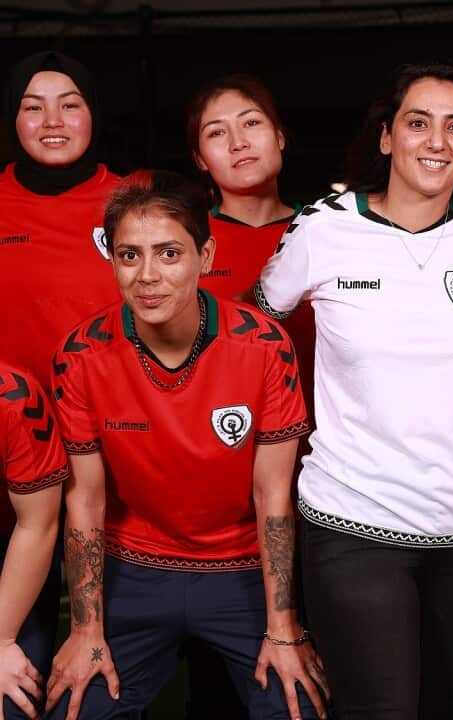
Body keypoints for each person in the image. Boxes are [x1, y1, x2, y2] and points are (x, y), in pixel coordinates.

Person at [255, 64, 453, 720]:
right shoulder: (324, 225)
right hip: (355, 520)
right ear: (387, 137)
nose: (436, 140)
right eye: (418, 122)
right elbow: (254, 323)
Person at [43, 170, 324, 720]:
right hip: (135, 570)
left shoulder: (264, 346)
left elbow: (273, 498)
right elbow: (86, 500)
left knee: (297, 706)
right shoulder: (79, 354)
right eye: (129, 256)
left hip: (242, 569)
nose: (147, 276)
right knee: (77, 709)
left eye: (168, 254)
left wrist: (284, 626)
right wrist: (85, 629)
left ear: (205, 253)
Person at [186, 72, 316, 720]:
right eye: (217, 132)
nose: (237, 142)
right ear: (199, 159)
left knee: (317, 682)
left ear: (281, 137)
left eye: (251, 124)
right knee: (225, 693)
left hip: (324, 494)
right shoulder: (182, 248)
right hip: (223, 510)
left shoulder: (329, 234)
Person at [0, 51, 121, 718]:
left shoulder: (134, 199)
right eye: (32, 105)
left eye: (69, 103)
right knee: (19, 654)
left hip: (111, 470)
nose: (52, 120)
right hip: (14, 480)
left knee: (101, 679)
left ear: (93, 114)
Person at [0, 362, 65, 720]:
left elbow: (36, 525)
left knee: (11, 701)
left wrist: (1, 642)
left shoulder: (13, 396)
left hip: (12, 549)